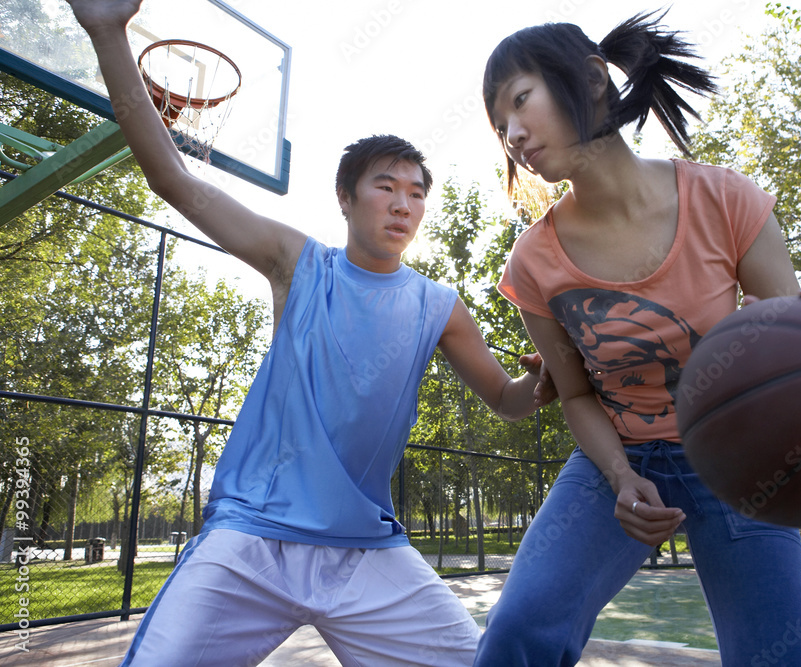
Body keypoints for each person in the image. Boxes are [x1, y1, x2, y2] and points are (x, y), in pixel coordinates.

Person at [67, 1, 556, 665]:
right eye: (385, 186)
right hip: (253, 540)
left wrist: (543, 381)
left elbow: (506, 399)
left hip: (365, 550)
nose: (403, 203)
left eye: (416, 192)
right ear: (346, 199)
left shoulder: (438, 304)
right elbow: (173, 179)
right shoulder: (298, 263)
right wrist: (105, 30)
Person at [473, 11, 801, 666]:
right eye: (500, 125)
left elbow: (787, 329)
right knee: (516, 632)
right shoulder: (533, 263)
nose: (514, 135)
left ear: (590, 81)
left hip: (739, 456)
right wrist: (618, 476)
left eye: (520, 102)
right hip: (621, 457)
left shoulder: (724, 199)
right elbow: (576, 393)